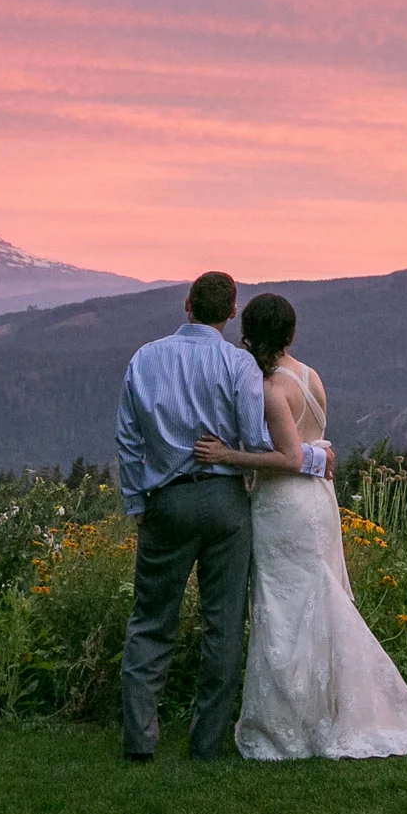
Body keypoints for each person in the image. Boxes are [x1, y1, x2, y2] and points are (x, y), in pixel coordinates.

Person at [193, 292, 407, 760]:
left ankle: (290, 724)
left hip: (284, 505)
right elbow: (314, 444)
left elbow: (289, 457)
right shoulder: (310, 375)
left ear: (248, 334)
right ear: (289, 333)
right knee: (314, 600)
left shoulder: (271, 389)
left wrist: (226, 455)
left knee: (284, 608)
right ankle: (326, 711)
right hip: (317, 500)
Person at [114, 270, 315, 760]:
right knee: (223, 625)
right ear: (231, 312)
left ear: (187, 304)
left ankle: (139, 739)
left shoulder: (145, 358)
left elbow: (128, 440)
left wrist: (136, 503)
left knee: (151, 621)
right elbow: (257, 441)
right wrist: (312, 456)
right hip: (226, 504)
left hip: (166, 501)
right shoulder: (238, 364)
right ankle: (206, 743)